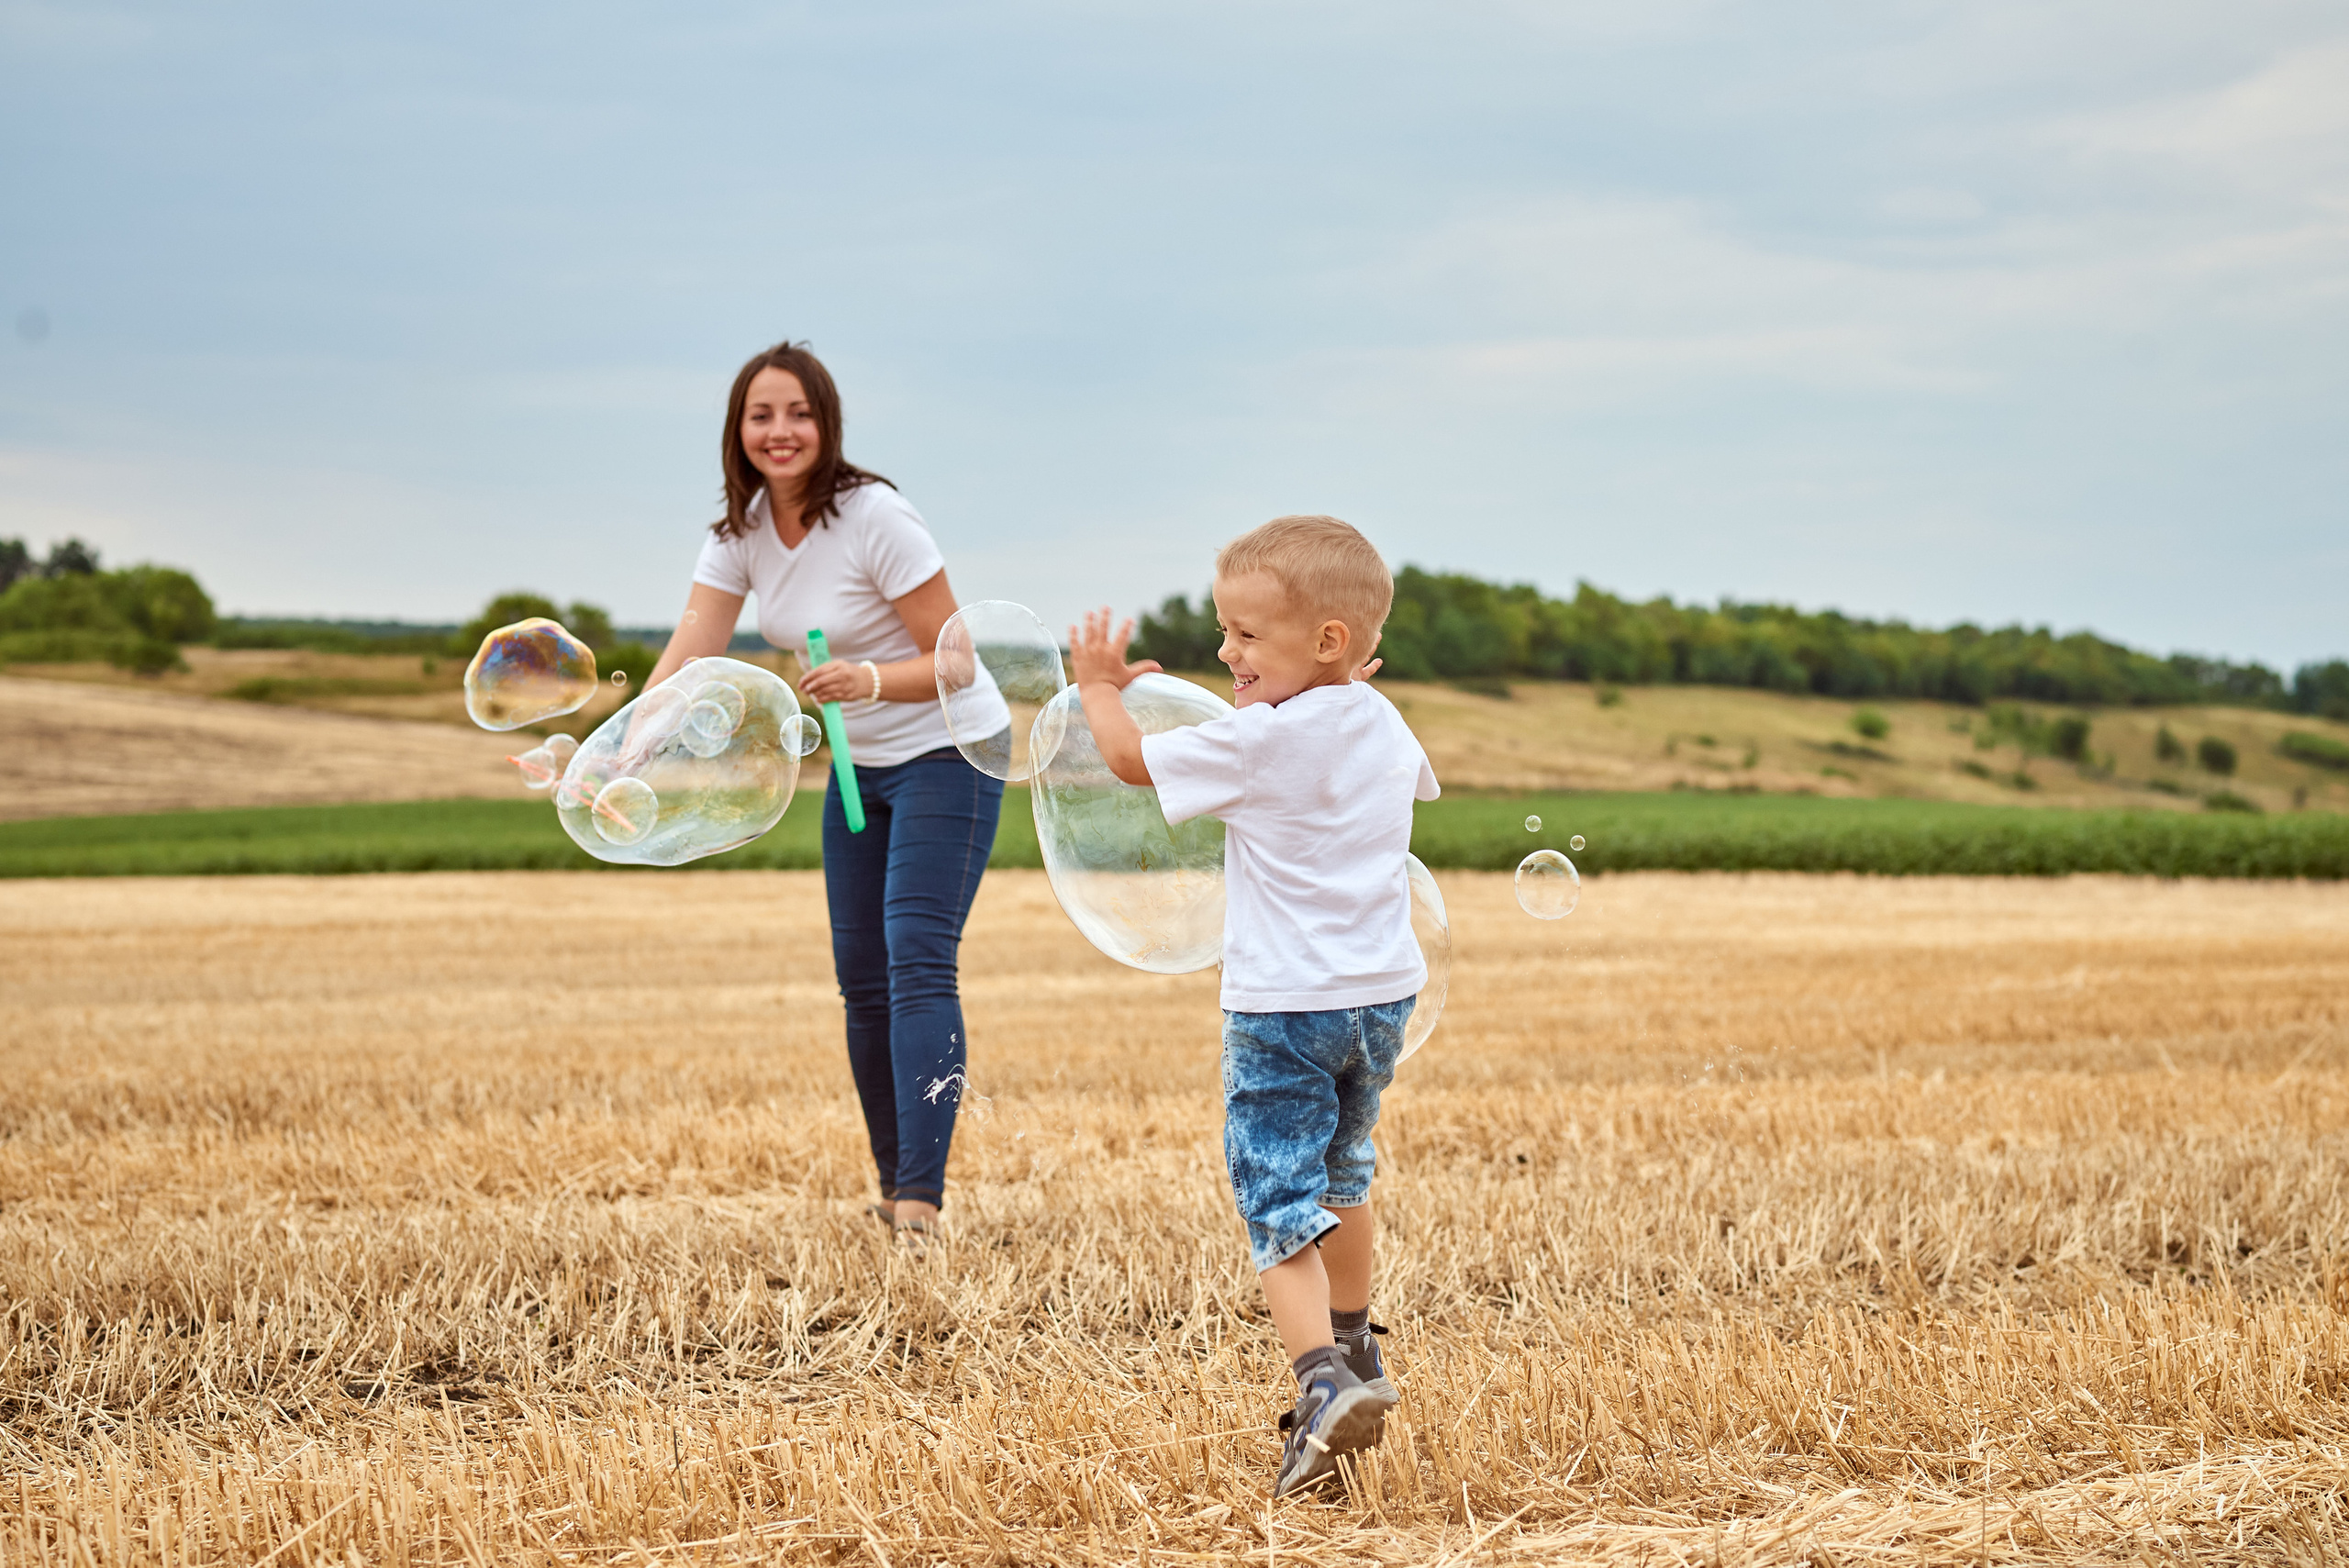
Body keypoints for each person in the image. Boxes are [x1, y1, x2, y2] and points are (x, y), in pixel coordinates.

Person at [1065, 515, 1439, 1496]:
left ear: (1324, 642)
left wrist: (1099, 688)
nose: (1225, 651)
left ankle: (1319, 1382)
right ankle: (1357, 1349)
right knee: (1344, 1172)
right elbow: (1406, 787)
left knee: (1276, 1200)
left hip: (1284, 1006)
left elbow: (1129, 762)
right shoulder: (1382, 718)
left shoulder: (1264, 737)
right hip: (1380, 998)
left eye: (1244, 634)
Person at [642, 341, 1002, 1251]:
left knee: (918, 958)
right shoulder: (739, 531)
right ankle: (892, 1188)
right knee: (861, 980)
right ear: (738, 430)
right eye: (760, 415)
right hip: (853, 767)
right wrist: (621, 749)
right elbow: (692, 646)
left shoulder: (876, 516)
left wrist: (870, 681)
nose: (779, 431)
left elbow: (957, 658)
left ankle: (920, 1201)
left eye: (796, 412)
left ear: (826, 422)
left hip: (945, 750)